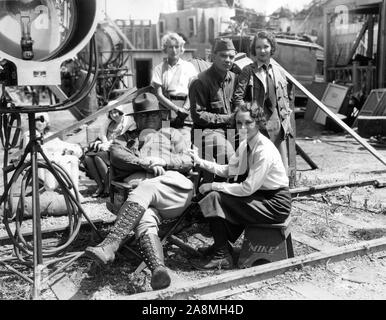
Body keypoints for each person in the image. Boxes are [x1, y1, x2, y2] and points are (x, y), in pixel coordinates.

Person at [85, 92, 194, 291]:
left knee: (146, 186)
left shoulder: (173, 134)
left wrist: (164, 162)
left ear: (160, 116)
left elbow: (189, 160)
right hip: (143, 200)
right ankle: (158, 270)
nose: (147, 119)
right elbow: (117, 156)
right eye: (142, 116)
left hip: (173, 189)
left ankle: (111, 243)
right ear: (135, 119)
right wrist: (146, 165)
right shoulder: (125, 139)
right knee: (146, 218)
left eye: (152, 115)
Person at [189, 102, 292, 270]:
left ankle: (222, 256)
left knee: (215, 197)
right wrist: (200, 162)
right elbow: (230, 170)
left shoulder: (263, 150)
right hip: (261, 197)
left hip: (276, 204)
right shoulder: (246, 144)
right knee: (219, 197)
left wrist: (213, 185)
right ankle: (221, 247)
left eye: (248, 123)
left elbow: (247, 188)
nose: (242, 127)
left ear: (258, 123)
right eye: (238, 123)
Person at [233, 31, 294, 172]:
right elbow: (238, 97)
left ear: (271, 48)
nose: (262, 50)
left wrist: (286, 120)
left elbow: (285, 99)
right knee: (259, 166)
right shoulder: (248, 71)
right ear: (254, 49)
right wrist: (251, 115)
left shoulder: (279, 71)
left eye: (266, 46)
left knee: (280, 166)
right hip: (257, 124)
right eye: (258, 47)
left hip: (277, 123)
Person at [189, 38, 237, 182]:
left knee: (253, 146)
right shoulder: (200, 81)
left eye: (231, 57)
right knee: (227, 155)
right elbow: (198, 115)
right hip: (205, 131)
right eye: (223, 56)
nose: (228, 60)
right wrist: (227, 118)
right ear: (213, 56)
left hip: (230, 130)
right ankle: (218, 193)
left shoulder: (234, 78)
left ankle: (242, 191)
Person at [151, 32, 198, 145]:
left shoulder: (189, 67)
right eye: (170, 47)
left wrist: (184, 110)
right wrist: (176, 109)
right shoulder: (159, 69)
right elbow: (159, 94)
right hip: (166, 111)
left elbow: (194, 91)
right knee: (166, 142)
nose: (174, 50)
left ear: (181, 48)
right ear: (165, 49)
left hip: (185, 109)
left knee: (184, 142)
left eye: (177, 47)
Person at [83, 101, 135, 197]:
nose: (113, 115)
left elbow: (122, 140)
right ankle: (100, 186)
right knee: (87, 158)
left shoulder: (126, 124)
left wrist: (107, 145)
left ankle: (108, 187)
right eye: (111, 112)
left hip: (117, 148)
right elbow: (102, 135)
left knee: (98, 157)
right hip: (105, 146)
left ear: (121, 111)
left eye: (116, 112)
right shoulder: (108, 123)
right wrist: (102, 143)